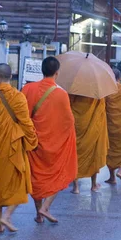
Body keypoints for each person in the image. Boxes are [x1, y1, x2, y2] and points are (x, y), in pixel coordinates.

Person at [0, 63, 38, 232]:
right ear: (11, 77)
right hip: (14, 146)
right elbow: (26, 123)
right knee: (19, 183)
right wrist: (33, 141)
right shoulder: (18, 97)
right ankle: (7, 216)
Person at [22, 56, 77, 224]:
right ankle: (45, 207)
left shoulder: (27, 89)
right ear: (57, 73)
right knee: (61, 172)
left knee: (35, 177)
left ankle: (39, 213)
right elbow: (68, 121)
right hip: (54, 142)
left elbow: (23, 114)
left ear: (42, 70)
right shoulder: (61, 94)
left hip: (33, 142)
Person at [69, 95, 108, 194]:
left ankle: (76, 187)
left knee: (75, 155)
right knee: (93, 155)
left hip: (76, 128)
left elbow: (68, 108)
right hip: (93, 129)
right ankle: (93, 185)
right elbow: (101, 113)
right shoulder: (98, 94)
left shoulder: (74, 91)